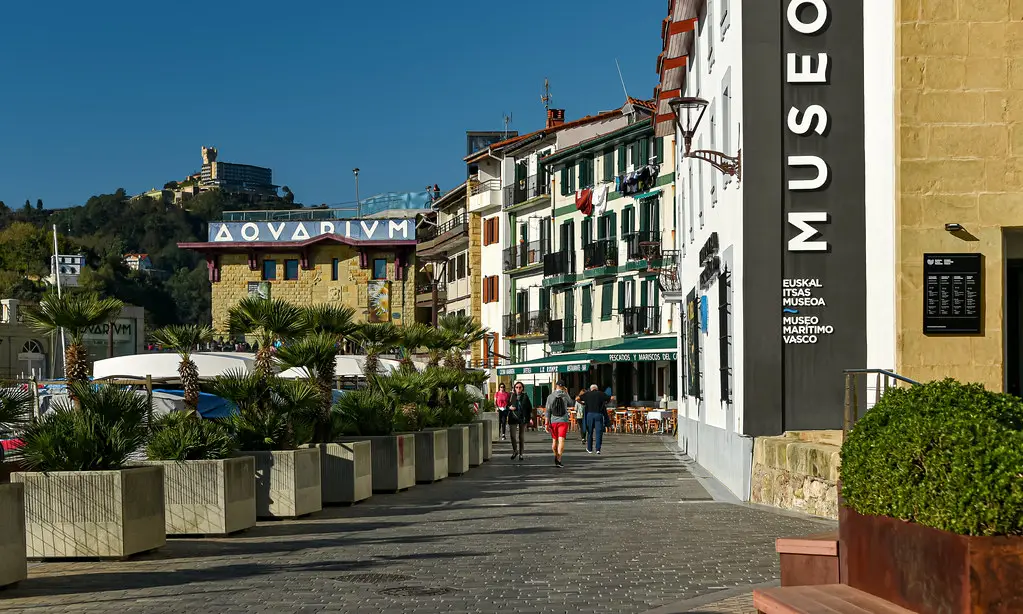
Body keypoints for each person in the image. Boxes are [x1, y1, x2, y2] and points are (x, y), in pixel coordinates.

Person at [544, 381, 574, 468]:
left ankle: (555, 455)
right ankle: (559, 459)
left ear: (556, 386)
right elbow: (571, 403)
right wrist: (567, 393)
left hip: (553, 421)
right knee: (561, 441)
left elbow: (548, 411)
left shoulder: (550, 396)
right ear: (563, 387)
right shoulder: (565, 395)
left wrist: (546, 423)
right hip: (563, 420)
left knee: (554, 441)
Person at [579, 384, 614, 455]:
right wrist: (606, 403)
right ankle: (598, 449)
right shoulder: (601, 394)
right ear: (597, 389)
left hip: (590, 414)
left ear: (591, 389)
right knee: (599, 432)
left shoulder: (587, 394)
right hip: (599, 414)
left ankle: (589, 448)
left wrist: (583, 403)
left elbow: (577, 398)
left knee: (590, 432)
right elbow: (612, 398)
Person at [507, 381, 532, 461]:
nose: (518, 389)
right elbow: (506, 405)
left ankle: (521, 454)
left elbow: (529, 408)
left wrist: (530, 418)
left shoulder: (525, 396)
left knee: (521, 437)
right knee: (512, 436)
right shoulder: (511, 396)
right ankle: (515, 450)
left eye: (520, 387)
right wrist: (509, 408)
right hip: (513, 417)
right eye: (517, 387)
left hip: (522, 418)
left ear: (522, 388)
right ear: (514, 388)